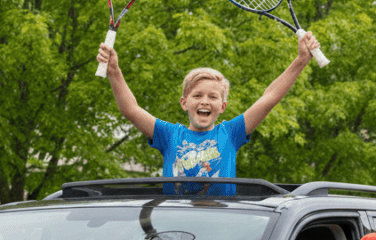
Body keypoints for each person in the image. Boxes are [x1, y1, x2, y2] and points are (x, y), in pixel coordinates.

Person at [96, 32, 321, 195]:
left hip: (220, 227)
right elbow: (130, 110)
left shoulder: (230, 133)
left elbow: (268, 99)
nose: (205, 101)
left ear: (222, 107)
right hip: (175, 227)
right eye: (197, 96)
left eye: (213, 97)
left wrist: (301, 60)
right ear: (184, 103)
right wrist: (114, 71)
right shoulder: (169, 135)